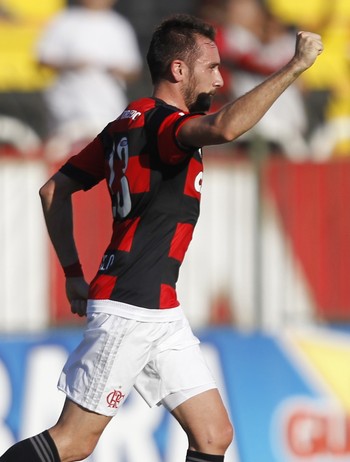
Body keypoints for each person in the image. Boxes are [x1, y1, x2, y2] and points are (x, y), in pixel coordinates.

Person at [0, 13, 323, 462]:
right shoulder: (163, 125)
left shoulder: (126, 122)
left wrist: (74, 273)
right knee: (73, 442)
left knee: (213, 434)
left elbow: (54, 189)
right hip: (132, 306)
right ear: (178, 70)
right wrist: (293, 68)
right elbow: (224, 128)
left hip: (159, 308)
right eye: (211, 67)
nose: (219, 77)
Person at [36, 0, 142, 158]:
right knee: (62, 157)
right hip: (66, 109)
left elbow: (133, 69)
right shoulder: (64, 21)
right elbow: (43, 59)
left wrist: (114, 69)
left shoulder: (119, 26)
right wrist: (72, 64)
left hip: (107, 109)